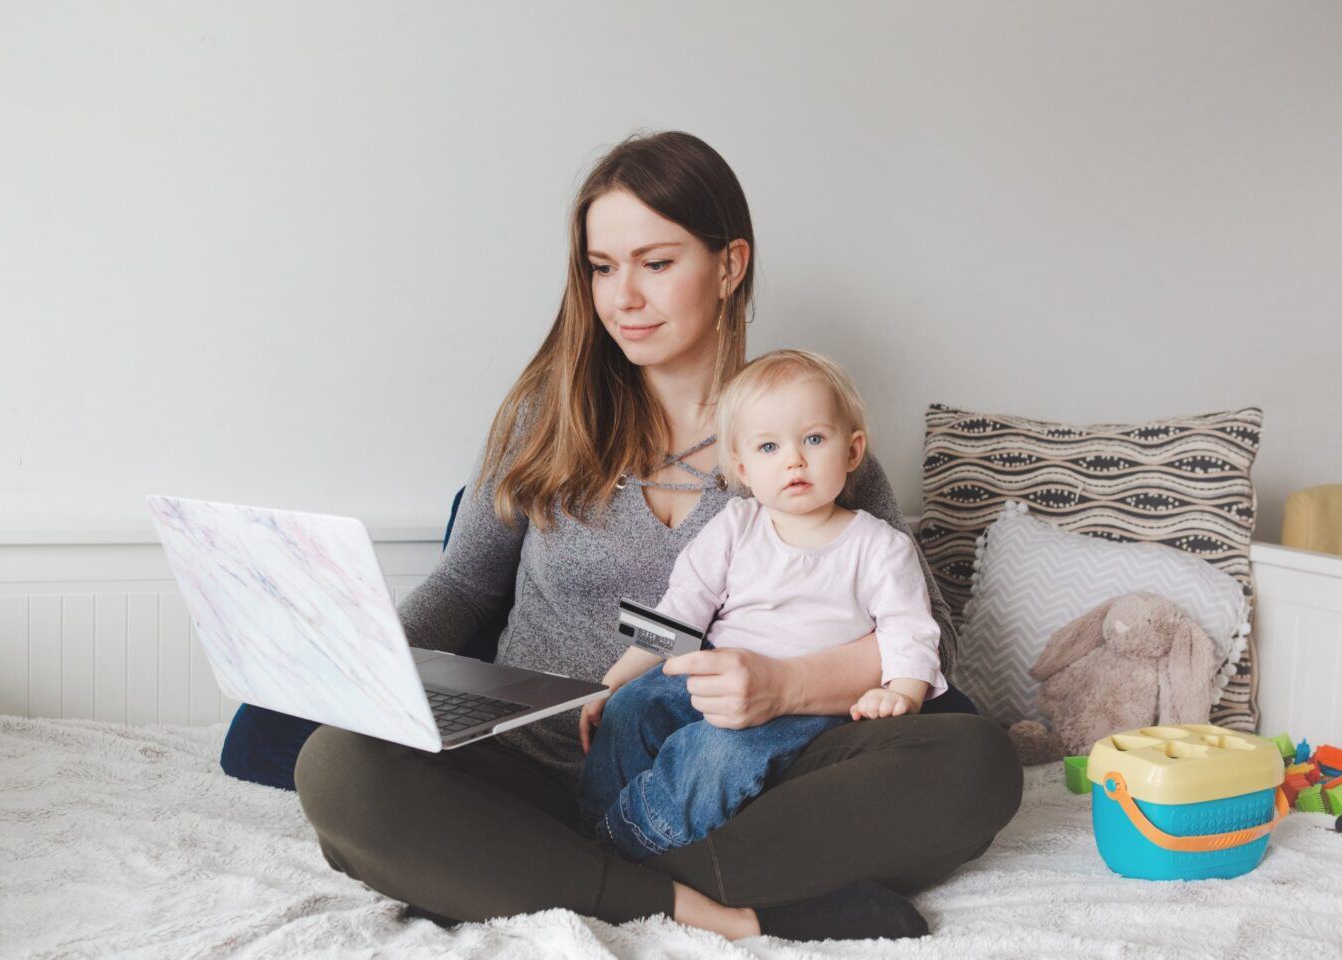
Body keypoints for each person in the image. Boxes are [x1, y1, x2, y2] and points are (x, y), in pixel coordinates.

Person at [287, 130, 1023, 943]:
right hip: (537, 767)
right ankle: (722, 912)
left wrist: (784, 686)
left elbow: (930, 652)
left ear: (731, 265)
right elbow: (463, 589)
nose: (622, 297)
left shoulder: (809, 445)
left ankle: (532, 875)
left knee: (974, 764)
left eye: (656, 263)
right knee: (339, 770)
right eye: (602, 268)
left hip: (742, 778)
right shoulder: (545, 420)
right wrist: (365, 666)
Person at [578, 349, 949, 863]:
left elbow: (910, 630)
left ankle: (629, 843)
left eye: (814, 439)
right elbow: (681, 609)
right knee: (631, 709)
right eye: (770, 446)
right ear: (742, 468)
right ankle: (586, 825)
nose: (794, 459)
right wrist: (613, 680)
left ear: (853, 450)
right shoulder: (736, 525)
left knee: (716, 754)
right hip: (716, 675)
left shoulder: (879, 545)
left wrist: (901, 694)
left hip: (804, 706)